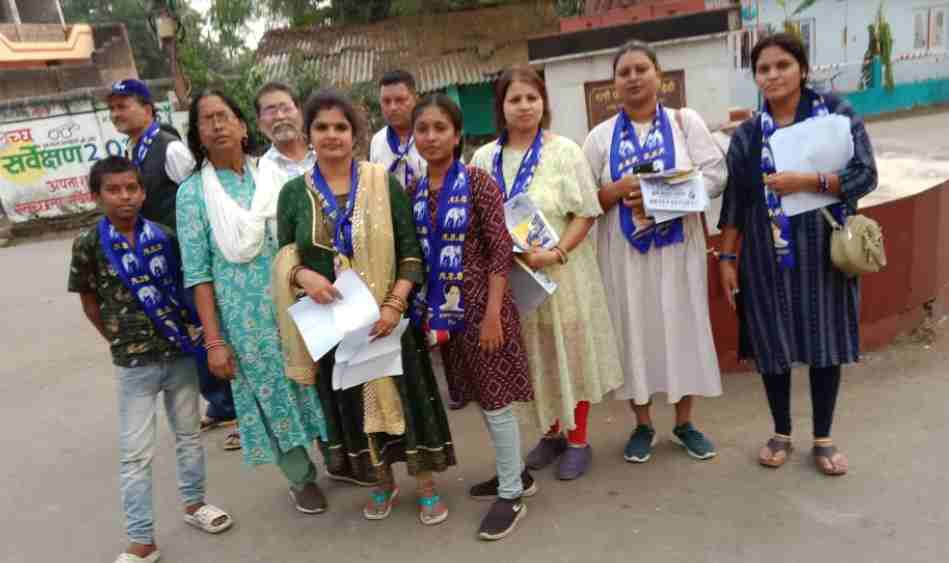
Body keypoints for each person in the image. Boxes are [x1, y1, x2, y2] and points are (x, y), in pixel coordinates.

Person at [276, 88, 456, 524]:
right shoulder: (293, 194)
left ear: (354, 134)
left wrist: (394, 304)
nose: (331, 135)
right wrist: (302, 276)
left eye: (340, 127)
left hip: (388, 320)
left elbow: (411, 252)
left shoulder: (381, 182)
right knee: (356, 406)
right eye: (322, 127)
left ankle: (426, 486)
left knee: (407, 400)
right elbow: (284, 256)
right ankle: (381, 482)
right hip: (334, 324)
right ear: (308, 133)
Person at [718, 33, 878, 476]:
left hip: (824, 249)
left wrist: (808, 182)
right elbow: (735, 201)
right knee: (772, 342)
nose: (773, 75)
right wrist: (727, 259)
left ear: (803, 69)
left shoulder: (836, 115)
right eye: (763, 69)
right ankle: (781, 432)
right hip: (765, 254)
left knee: (826, 340)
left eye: (782, 65)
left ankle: (823, 437)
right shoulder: (749, 135)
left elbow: (866, 174)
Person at [69, 156, 232, 563]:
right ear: (97, 196)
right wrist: (118, 339)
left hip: (178, 355)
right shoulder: (88, 244)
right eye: (113, 190)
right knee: (135, 454)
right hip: (134, 364)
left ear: (143, 192)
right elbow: (89, 302)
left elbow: (185, 287)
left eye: (132, 188)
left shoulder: (164, 237)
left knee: (189, 436)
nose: (124, 197)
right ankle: (142, 539)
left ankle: (195, 504)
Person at [175, 90, 329, 512]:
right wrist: (214, 341)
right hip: (243, 321)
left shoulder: (272, 174)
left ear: (243, 126)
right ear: (197, 134)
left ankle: (335, 453)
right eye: (207, 119)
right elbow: (198, 274)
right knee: (270, 394)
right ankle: (300, 476)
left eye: (224, 116)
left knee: (313, 382)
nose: (217, 125)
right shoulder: (193, 193)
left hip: (295, 302)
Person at [470, 66, 622, 481]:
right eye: (514, 99)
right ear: (500, 107)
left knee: (568, 352)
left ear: (544, 103)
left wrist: (556, 251)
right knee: (535, 354)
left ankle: (579, 440)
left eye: (531, 98)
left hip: (561, 276)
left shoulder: (565, 151)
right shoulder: (483, 159)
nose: (524, 106)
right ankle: (552, 434)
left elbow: (586, 212)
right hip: (513, 279)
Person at [582, 40, 727, 464]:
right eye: (624, 72)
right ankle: (643, 424)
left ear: (658, 75)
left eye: (641, 69)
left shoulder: (685, 122)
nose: (633, 78)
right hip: (624, 255)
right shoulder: (599, 137)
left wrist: (665, 197)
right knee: (635, 331)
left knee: (682, 325)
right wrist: (614, 190)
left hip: (677, 249)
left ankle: (684, 423)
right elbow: (583, 199)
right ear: (614, 83)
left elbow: (716, 175)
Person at [409, 93, 534, 541]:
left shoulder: (478, 181)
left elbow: (500, 250)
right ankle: (516, 473)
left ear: (457, 134)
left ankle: (511, 494)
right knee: (482, 396)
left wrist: (494, 313)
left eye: (440, 128)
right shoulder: (415, 190)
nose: (431, 137)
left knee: (496, 399)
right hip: (448, 313)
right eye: (422, 129)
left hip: (484, 309)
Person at [107, 79, 239, 445]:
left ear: (147, 108)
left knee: (210, 332)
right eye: (112, 108)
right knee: (192, 334)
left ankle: (235, 407)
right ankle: (222, 403)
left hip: (188, 260)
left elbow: (202, 194)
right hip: (164, 264)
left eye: (124, 105)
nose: (117, 113)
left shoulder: (170, 148)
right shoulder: (136, 149)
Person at [369, 70, 427, 189]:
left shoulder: (433, 136)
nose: (393, 108)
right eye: (386, 101)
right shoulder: (377, 141)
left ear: (416, 100)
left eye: (400, 100)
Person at [255, 81, 317, 188]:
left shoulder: (326, 149)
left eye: (286, 109)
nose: (280, 116)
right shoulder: (260, 172)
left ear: (300, 113)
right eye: (271, 112)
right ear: (260, 123)